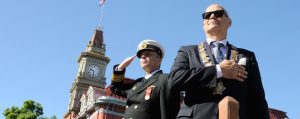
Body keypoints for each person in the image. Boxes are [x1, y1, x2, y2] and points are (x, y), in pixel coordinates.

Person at [169, 4, 270, 119]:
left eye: (218, 13)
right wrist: (218, 70)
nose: (212, 16)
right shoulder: (188, 51)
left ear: (229, 22)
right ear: (203, 24)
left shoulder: (247, 56)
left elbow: (257, 100)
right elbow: (174, 80)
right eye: (207, 15)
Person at [110, 39, 180, 119]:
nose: (143, 56)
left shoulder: (165, 79)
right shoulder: (137, 83)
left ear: (159, 60)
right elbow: (115, 88)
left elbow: (170, 111)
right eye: (141, 56)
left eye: (148, 54)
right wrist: (120, 68)